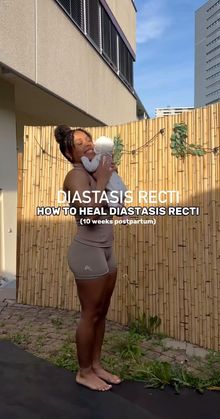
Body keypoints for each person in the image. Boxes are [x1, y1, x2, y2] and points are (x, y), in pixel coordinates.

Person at [54, 125, 121, 392]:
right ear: (70, 153)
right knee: (89, 314)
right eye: (79, 143)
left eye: (88, 139)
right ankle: (83, 372)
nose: (88, 144)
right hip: (87, 251)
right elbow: (90, 215)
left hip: (106, 249)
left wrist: (111, 183)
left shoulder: (95, 172)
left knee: (101, 314)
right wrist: (103, 180)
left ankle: (95, 365)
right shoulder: (75, 176)